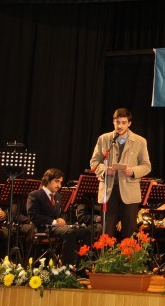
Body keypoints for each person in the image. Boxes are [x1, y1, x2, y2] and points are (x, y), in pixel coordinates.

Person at [90, 108, 151, 239]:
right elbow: (94, 162)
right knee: (106, 232)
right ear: (113, 122)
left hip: (130, 191)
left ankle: (128, 253)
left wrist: (133, 171)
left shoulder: (140, 141)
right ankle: (106, 253)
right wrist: (105, 170)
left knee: (129, 232)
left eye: (123, 123)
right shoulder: (104, 139)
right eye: (117, 122)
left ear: (129, 123)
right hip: (108, 190)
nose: (120, 126)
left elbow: (147, 166)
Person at [27, 168, 89, 266]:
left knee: (86, 232)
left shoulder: (58, 196)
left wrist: (62, 219)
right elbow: (33, 216)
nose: (59, 185)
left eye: (60, 182)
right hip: (43, 227)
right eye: (57, 181)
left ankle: (81, 266)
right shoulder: (35, 195)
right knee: (69, 232)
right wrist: (54, 221)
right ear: (48, 180)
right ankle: (67, 267)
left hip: (57, 227)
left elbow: (63, 212)